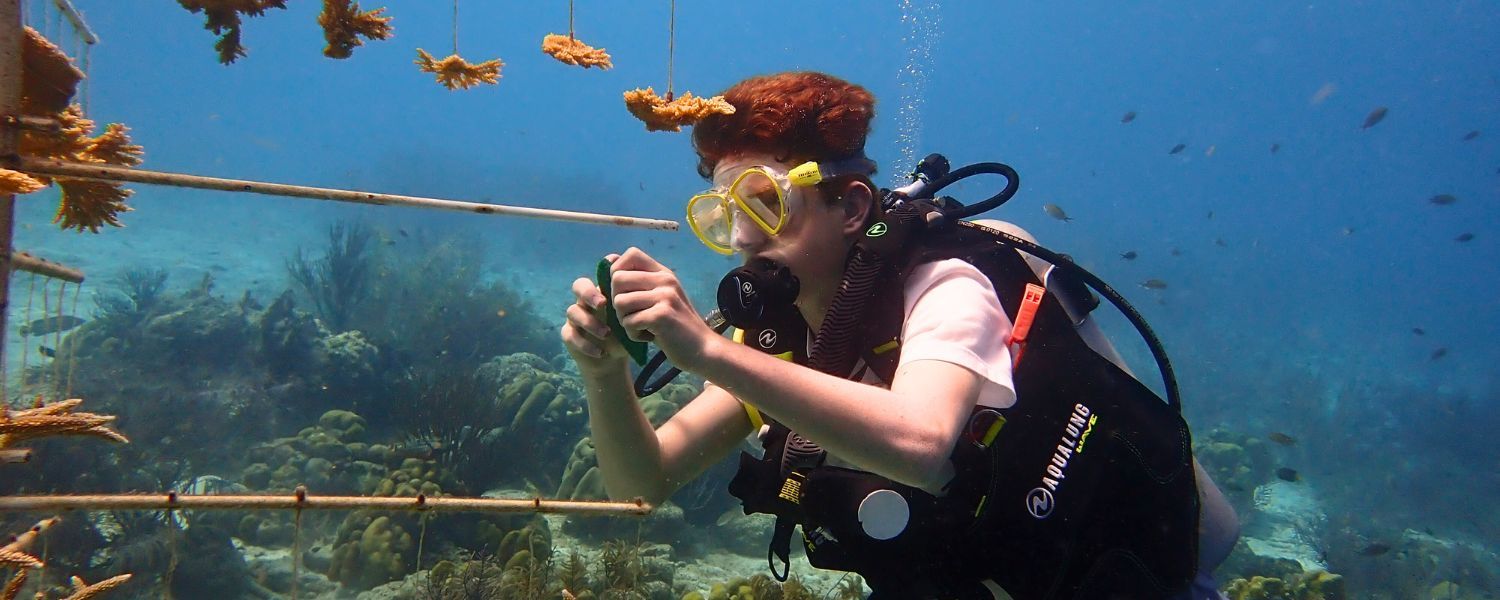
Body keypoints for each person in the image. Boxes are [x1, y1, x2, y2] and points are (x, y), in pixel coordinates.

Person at [562, 71, 1239, 599]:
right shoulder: (775, 345)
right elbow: (642, 484)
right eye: (720, 215)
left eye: (765, 204)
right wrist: (604, 375)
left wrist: (707, 351)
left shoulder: (946, 288)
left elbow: (920, 443)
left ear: (852, 206)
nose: (740, 238)